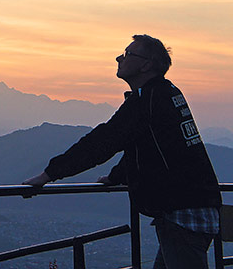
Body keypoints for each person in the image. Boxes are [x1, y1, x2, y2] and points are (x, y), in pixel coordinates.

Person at [23, 34, 221, 269]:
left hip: (182, 213)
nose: (119, 58)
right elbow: (148, 146)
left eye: (127, 54)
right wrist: (117, 177)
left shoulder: (147, 99)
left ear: (146, 64)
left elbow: (102, 142)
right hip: (192, 206)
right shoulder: (165, 94)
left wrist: (48, 174)